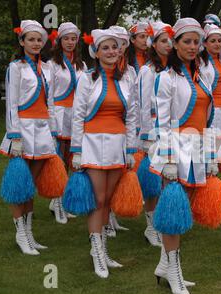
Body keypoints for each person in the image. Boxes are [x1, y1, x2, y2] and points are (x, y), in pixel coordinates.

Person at [149, 17, 215, 294]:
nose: (192, 46)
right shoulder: (165, 78)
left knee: (181, 210)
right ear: (174, 44)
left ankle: (165, 267)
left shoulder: (203, 76)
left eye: (195, 42)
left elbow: (208, 119)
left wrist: (211, 154)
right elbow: (161, 122)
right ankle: (174, 273)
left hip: (197, 147)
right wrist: (168, 160)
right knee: (173, 215)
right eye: (186, 41)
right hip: (175, 149)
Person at [72, 29, 138, 278]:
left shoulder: (126, 79)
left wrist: (131, 149)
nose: (112, 52)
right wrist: (76, 150)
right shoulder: (87, 79)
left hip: (117, 144)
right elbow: (77, 116)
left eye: (115, 47)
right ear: (96, 52)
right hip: (93, 143)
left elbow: (131, 116)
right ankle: (96, 252)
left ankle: (103, 250)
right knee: (98, 199)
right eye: (106, 48)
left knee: (109, 200)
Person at [0, 20, 56, 255]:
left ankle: (29, 233)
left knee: (30, 185)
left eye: (39, 40)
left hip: (42, 129)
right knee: (19, 185)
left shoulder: (48, 68)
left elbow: (49, 102)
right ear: (22, 42)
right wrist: (14, 135)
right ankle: (21, 233)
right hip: (23, 128)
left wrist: (52, 130)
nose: (35, 43)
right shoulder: (16, 67)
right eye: (30, 39)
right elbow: (11, 103)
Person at [137, 21, 173, 247]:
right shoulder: (147, 70)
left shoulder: (173, 70)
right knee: (153, 179)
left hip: (169, 129)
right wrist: (146, 136)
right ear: (154, 43)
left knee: (166, 178)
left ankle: (162, 222)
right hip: (152, 128)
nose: (168, 45)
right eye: (163, 41)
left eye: (170, 40)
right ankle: (151, 227)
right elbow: (142, 105)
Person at [48, 22, 87, 224]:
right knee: (59, 159)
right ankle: (57, 201)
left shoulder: (81, 65)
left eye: (73, 39)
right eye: (66, 39)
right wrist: (52, 120)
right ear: (59, 40)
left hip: (76, 115)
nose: (70, 42)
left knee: (73, 159)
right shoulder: (53, 64)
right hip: (60, 114)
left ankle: (63, 200)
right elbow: (50, 94)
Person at [105, 25, 132, 236]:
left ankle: (112, 214)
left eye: (122, 44)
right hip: (104, 133)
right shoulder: (99, 73)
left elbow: (134, 104)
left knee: (118, 175)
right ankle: (106, 219)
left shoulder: (129, 71)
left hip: (123, 129)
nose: (119, 49)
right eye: (116, 44)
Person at [199, 23, 221, 156]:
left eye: (219, 40)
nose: (217, 44)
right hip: (212, 111)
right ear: (205, 44)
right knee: (212, 149)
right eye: (212, 41)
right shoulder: (201, 63)